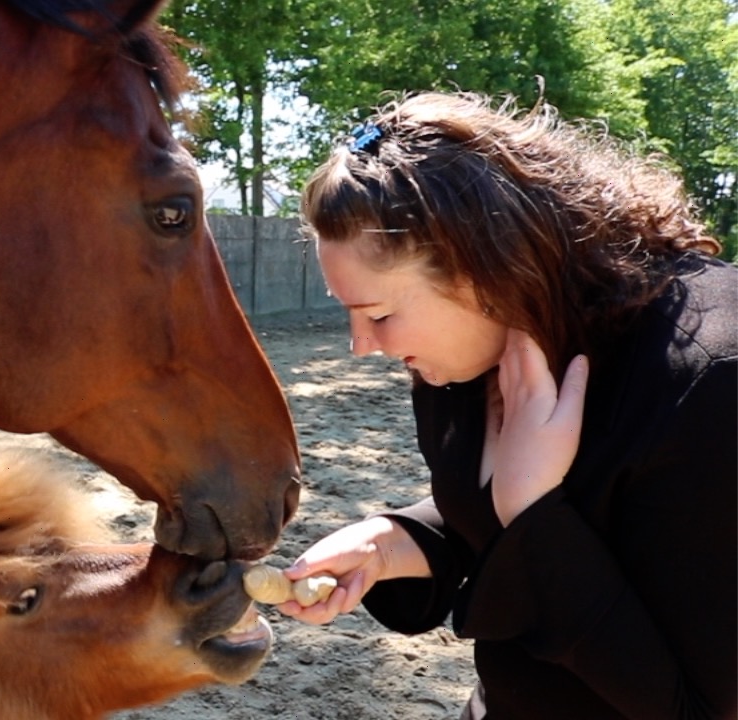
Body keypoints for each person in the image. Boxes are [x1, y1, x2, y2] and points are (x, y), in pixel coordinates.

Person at [285, 91, 736, 719]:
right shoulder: (471, 351)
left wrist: (534, 512)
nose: (363, 346)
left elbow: (697, 706)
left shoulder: (712, 378)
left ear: (483, 271)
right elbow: (488, 518)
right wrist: (399, 541)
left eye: (380, 313)